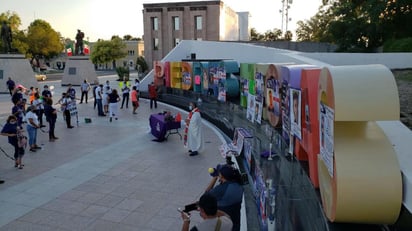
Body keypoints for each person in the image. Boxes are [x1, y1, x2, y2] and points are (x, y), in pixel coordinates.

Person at [205, 165, 244, 231]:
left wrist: (215, 178)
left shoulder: (220, 190)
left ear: (222, 176)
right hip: (235, 222)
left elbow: (205, 197)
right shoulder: (239, 184)